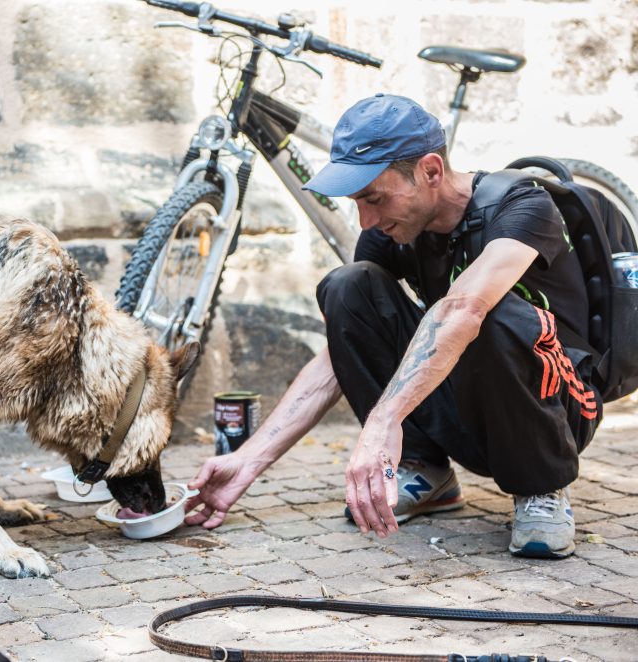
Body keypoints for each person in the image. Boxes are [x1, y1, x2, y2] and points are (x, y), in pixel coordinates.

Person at [184, 93, 601, 559]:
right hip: (466, 401)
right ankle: (427, 471)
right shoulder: (391, 229)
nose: (367, 219)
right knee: (348, 286)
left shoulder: (523, 206)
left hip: (559, 407)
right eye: (358, 202)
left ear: (430, 171)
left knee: (493, 312)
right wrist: (247, 460)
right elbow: (338, 355)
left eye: (375, 198)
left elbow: (463, 310)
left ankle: (540, 487)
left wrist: (383, 422)